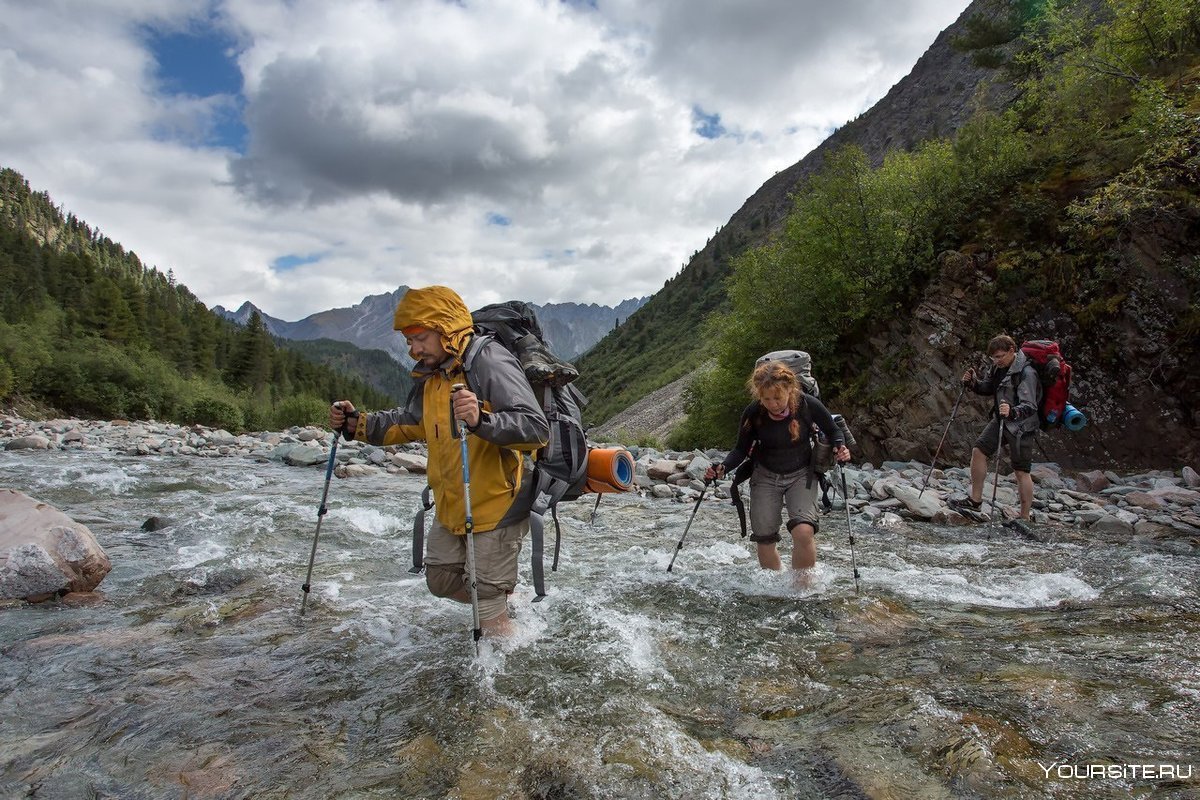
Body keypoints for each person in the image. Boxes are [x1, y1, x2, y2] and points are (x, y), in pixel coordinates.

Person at [330, 285, 549, 637]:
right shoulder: (434, 374)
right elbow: (410, 421)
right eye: (408, 341)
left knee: (486, 599)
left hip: (497, 505)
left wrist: (482, 421)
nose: (413, 348)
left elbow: (536, 429)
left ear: (445, 328)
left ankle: (505, 675)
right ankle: (508, 603)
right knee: (441, 579)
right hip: (452, 504)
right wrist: (359, 425)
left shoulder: (489, 361)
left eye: (419, 338)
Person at [704, 360, 851, 571]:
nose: (773, 403)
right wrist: (723, 468)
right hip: (764, 475)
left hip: (802, 474)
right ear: (759, 395)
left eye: (778, 397)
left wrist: (840, 447)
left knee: (803, 531)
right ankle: (775, 592)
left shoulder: (807, 404)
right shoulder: (753, 412)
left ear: (790, 390)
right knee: (764, 539)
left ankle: (802, 588)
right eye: (766, 399)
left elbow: (834, 430)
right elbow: (740, 450)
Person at [951, 334, 1039, 521]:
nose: (996, 361)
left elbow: (1030, 405)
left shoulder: (1027, 372)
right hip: (1000, 420)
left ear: (1011, 351)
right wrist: (972, 383)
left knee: (1021, 471)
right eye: (993, 357)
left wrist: (1013, 411)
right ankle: (975, 500)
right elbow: (987, 388)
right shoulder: (997, 368)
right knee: (979, 450)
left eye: (1000, 356)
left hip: (1022, 426)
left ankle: (1024, 517)